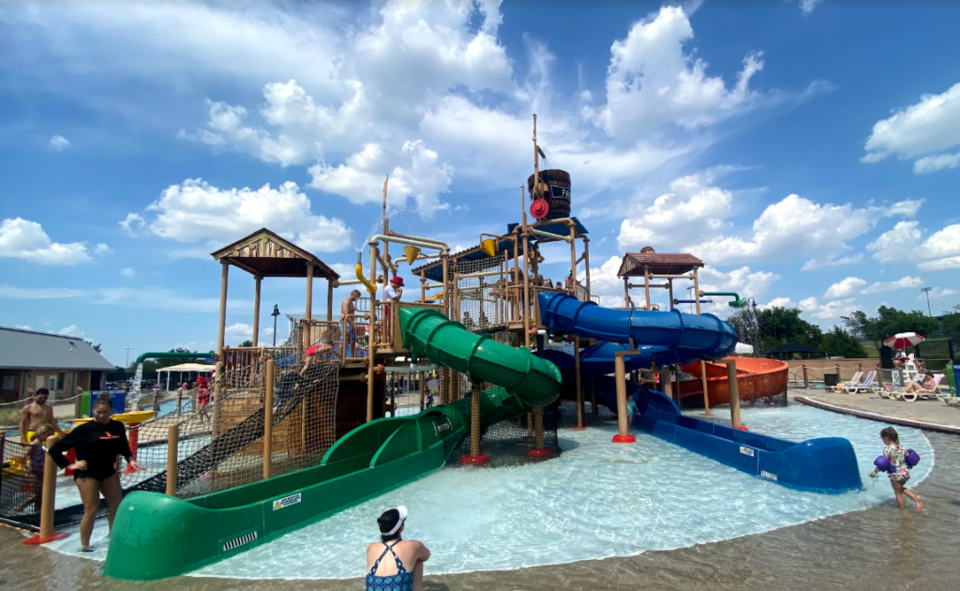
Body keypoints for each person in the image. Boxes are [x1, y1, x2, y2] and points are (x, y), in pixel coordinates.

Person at [48, 396, 143, 551]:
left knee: (117, 505)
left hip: (108, 472)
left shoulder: (117, 426)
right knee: (92, 509)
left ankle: (113, 536)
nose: (101, 415)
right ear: (93, 411)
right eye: (98, 412)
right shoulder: (84, 429)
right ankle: (85, 545)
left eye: (105, 412)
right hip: (87, 473)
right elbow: (55, 449)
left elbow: (123, 445)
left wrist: (130, 459)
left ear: (111, 412)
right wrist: (70, 465)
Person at [365, 506, 431, 591]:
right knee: (418, 559)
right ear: (401, 527)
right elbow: (426, 555)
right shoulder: (413, 546)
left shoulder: (371, 547)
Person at [869, 427, 923, 511]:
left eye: (883, 439)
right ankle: (915, 498)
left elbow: (883, 462)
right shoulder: (902, 448)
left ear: (886, 438)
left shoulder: (887, 449)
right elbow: (908, 459)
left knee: (898, 493)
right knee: (900, 489)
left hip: (895, 474)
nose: (883, 441)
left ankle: (904, 511)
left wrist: (875, 472)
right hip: (905, 473)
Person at [14, 423, 56, 514]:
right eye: (48, 435)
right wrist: (25, 469)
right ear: (41, 433)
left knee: (42, 495)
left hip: (42, 471)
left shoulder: (42, 444)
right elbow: (23, 457)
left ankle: (38, 511)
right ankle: (20, 508)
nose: (50, 437)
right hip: (34, 472)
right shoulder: (34, 444)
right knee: (38, 494)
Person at [342, 289, 362, 356]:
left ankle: (352, 357)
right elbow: (346, 314)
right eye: (357, 297)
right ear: (354, 295)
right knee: (343, 341)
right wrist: (353, 324)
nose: (357, 299)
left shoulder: (351, 302)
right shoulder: (346, 302)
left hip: (351, 323)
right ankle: (340, 358)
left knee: (353, 341)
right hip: (346, 323)